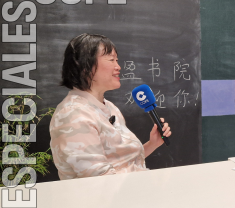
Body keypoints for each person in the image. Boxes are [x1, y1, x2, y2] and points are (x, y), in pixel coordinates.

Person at [49, 33, 171, 180]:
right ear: (85, 66)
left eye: (117, 60)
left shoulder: (109, 106)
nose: (118, 67)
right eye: (111, 60)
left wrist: (153, 144)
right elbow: (101, 181)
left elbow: (123, 163)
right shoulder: (72, 114)